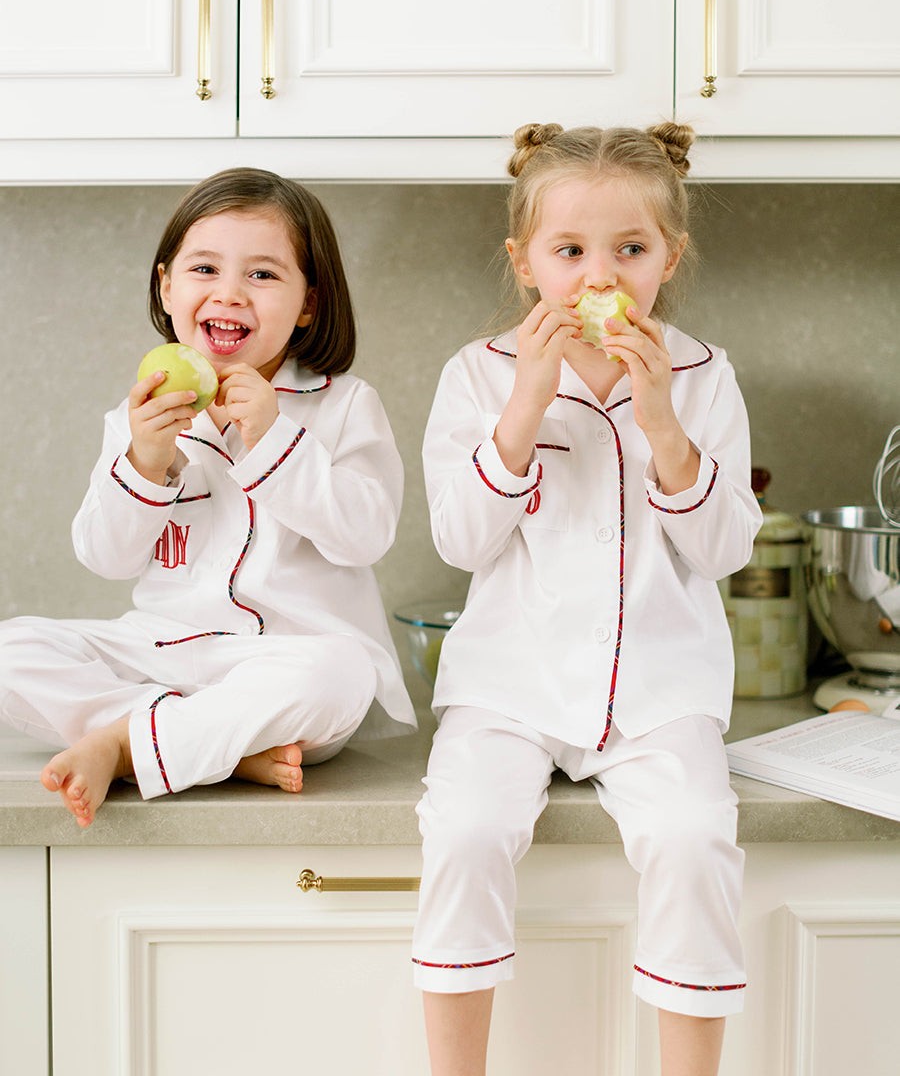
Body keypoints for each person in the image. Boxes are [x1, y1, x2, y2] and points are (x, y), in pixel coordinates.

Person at [412, 123, 762, 1076]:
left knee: (694, 839)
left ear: (668, 259)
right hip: (508, 686)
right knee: (468, 831)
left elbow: (727, 546)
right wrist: (525, 403)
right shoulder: (476, 373)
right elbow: (460, 539)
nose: (596, 272)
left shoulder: (702, 376)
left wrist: (664, 427)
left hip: (661, 689)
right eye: (569, 251)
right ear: (524, 262)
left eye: (629, 250)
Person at [0, 167, 415, 827]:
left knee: (344, 673)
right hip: (163, 653)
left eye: (263, 274)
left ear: (309, 302)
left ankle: (126, 743)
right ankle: (216, 750)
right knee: (11, 650)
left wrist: (273, 438)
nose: (230, 293)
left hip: (287, 662)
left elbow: (365, 534)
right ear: (167, 286)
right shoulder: (140, 414)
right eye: (204, 269)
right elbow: (104, 557)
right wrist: (146, 461)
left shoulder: (345, 405)